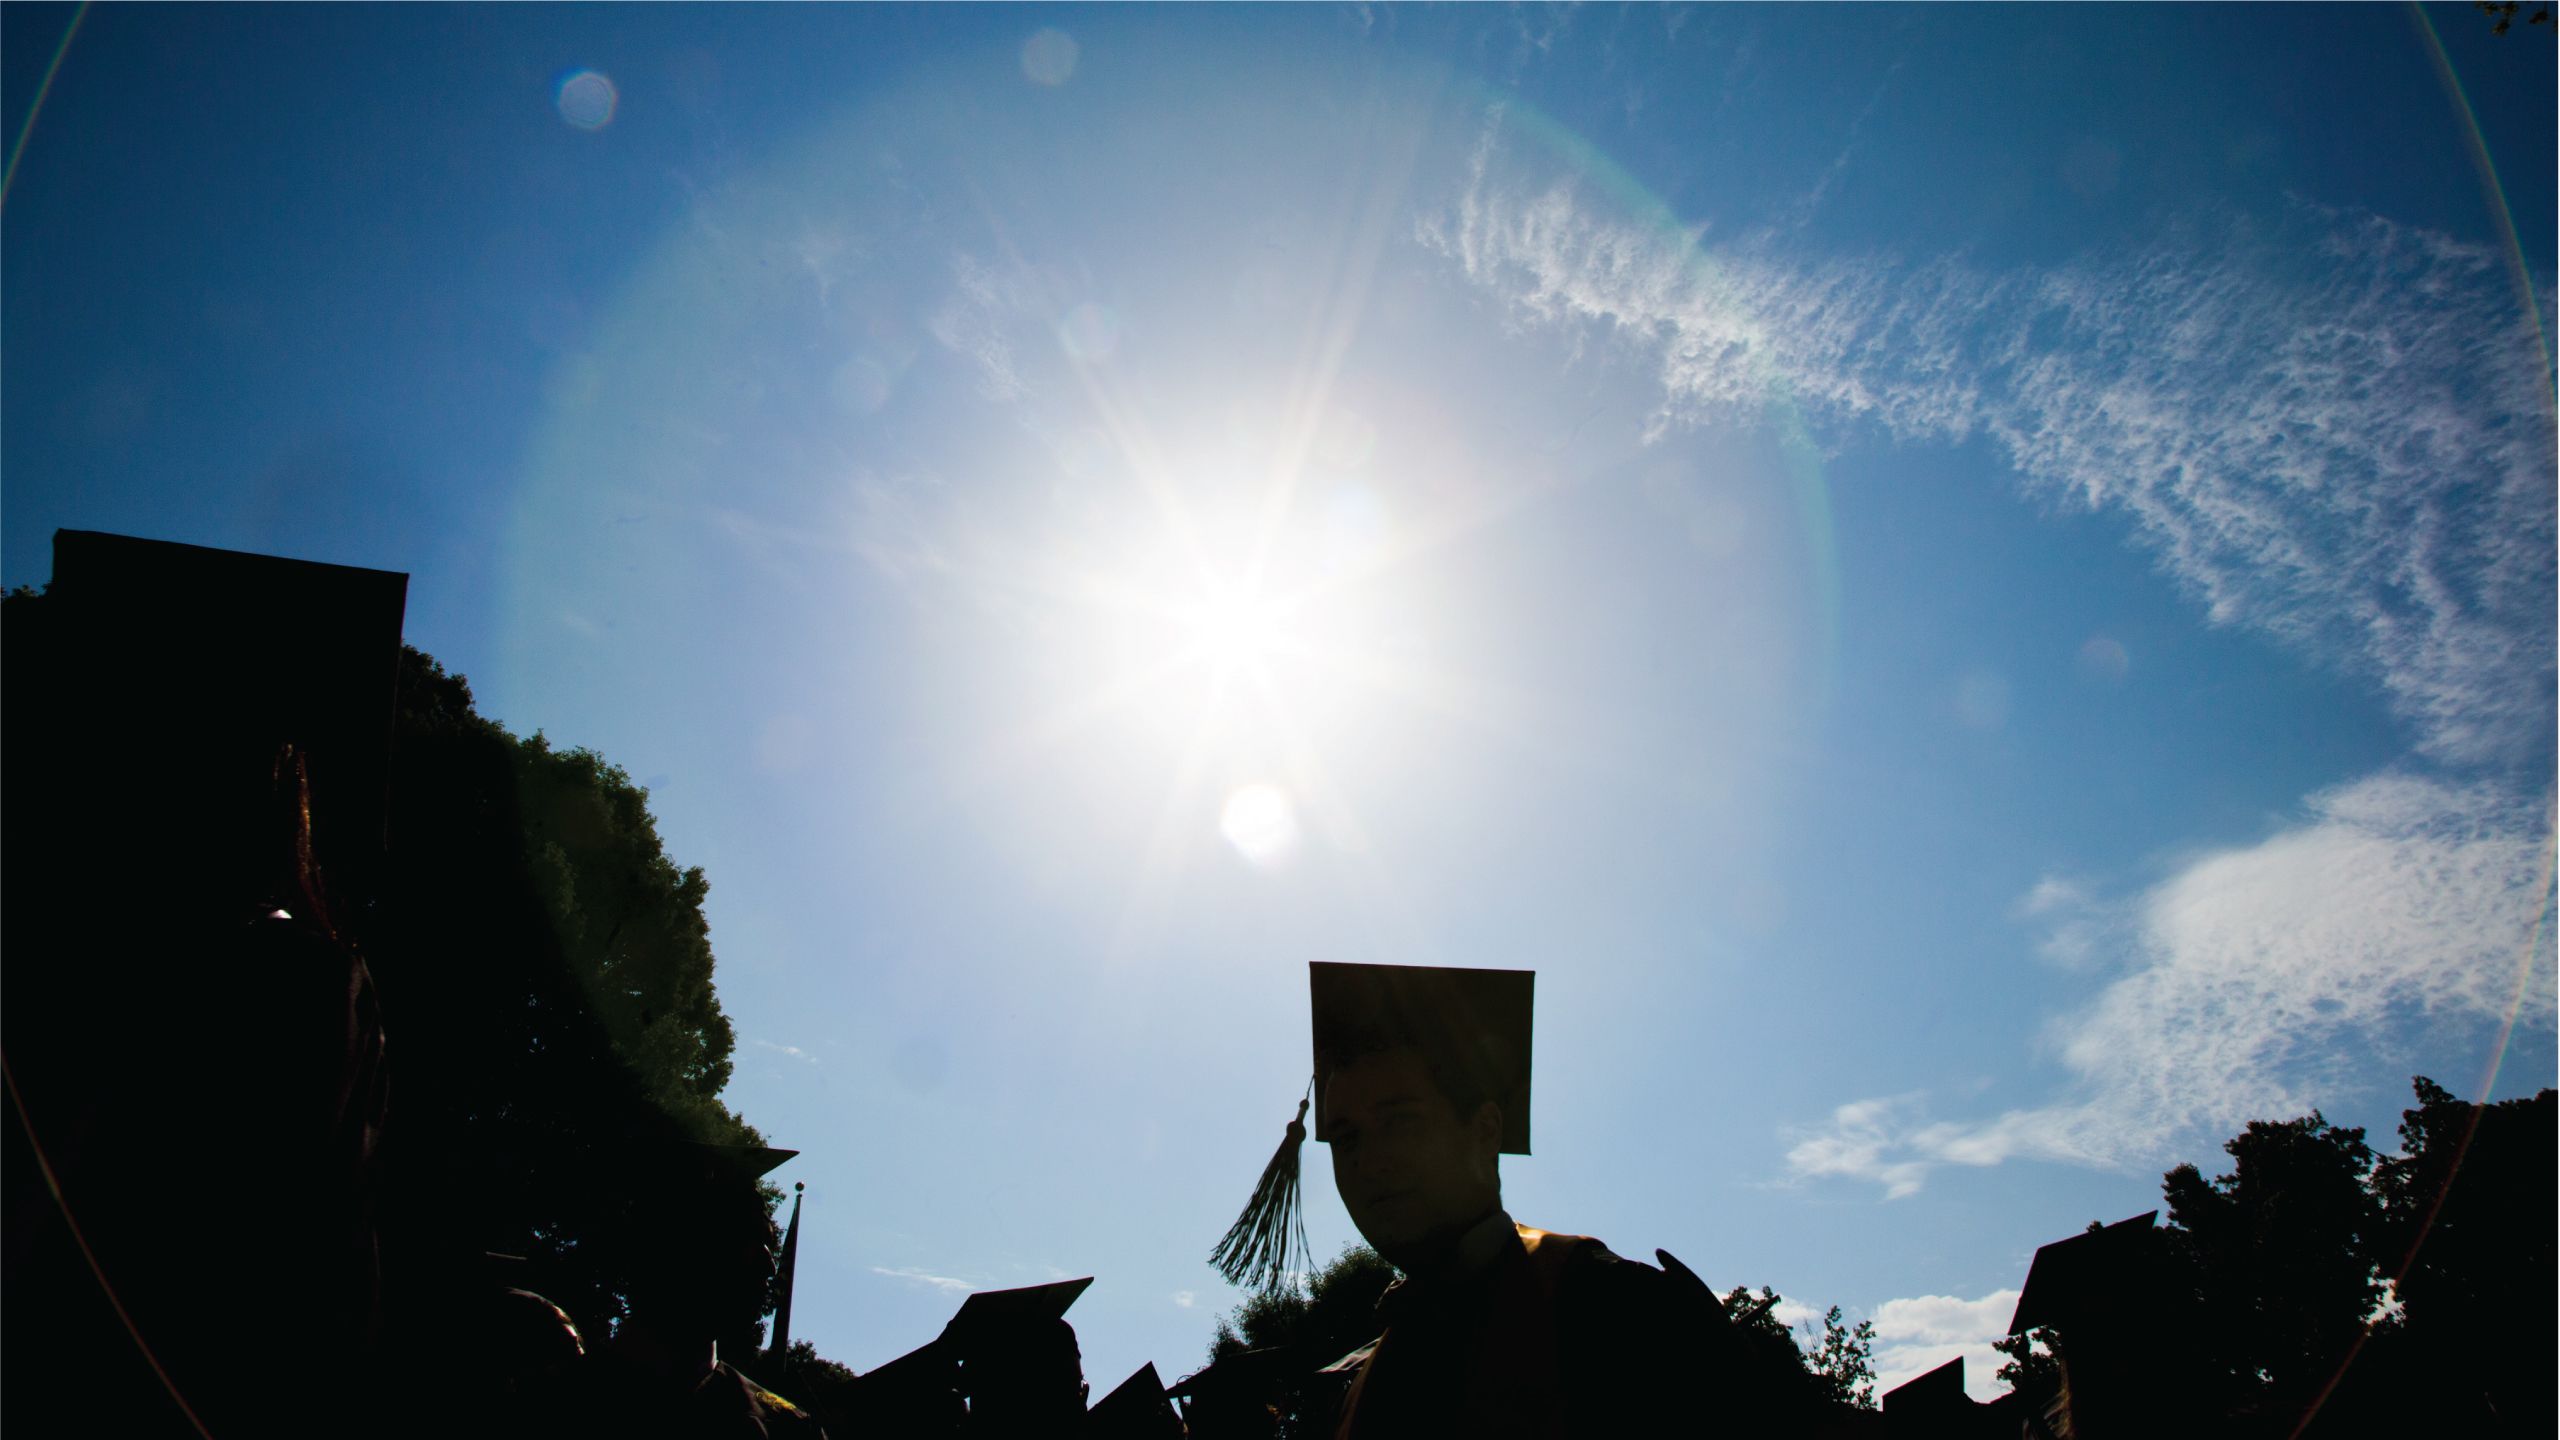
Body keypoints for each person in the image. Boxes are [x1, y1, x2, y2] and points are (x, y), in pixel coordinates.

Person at [1298, 962, 1819, 1439]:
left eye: (1401, 1123)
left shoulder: (1623, 1317)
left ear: (1483, 1132)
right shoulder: (1354, 1387)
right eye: (1347, 1139)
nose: (1371, 1161)